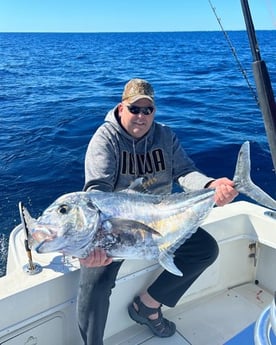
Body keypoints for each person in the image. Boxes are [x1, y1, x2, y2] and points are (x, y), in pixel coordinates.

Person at [77, 78, 238, 345]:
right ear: (121, 108)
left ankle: (148, 306)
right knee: (94, 283)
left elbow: (185, 172)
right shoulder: (105, 140)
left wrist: (211, 185)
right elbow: (97, 192)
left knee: (205, 250)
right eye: (134, 109)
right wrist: (89, 246)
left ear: (154, 112)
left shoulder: (165, 136)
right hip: (118, 229)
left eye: (147, 110)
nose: (141, 116)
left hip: (163, 222)